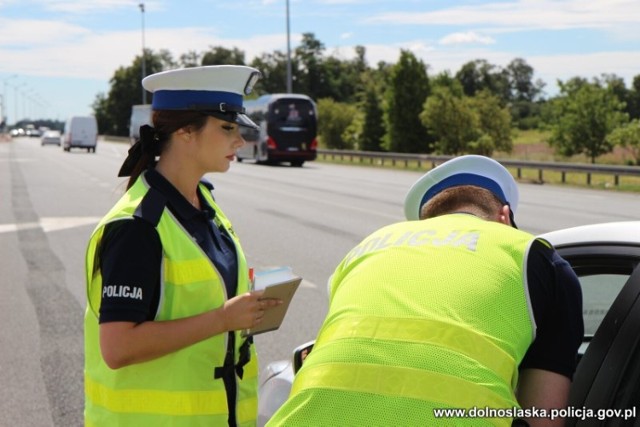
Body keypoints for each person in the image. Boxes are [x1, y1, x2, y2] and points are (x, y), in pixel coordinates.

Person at [268, 155, 583, 427]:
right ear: (504, 217)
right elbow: (543, 414)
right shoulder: (532, 255)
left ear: (424, 222)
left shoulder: (366, 249)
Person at [84, 65, 281, 427]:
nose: (239, 140)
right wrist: (223, 318)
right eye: (227, 127)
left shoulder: (204, 203)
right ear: (185, 131)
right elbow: (117, 347)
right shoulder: (137, 227)